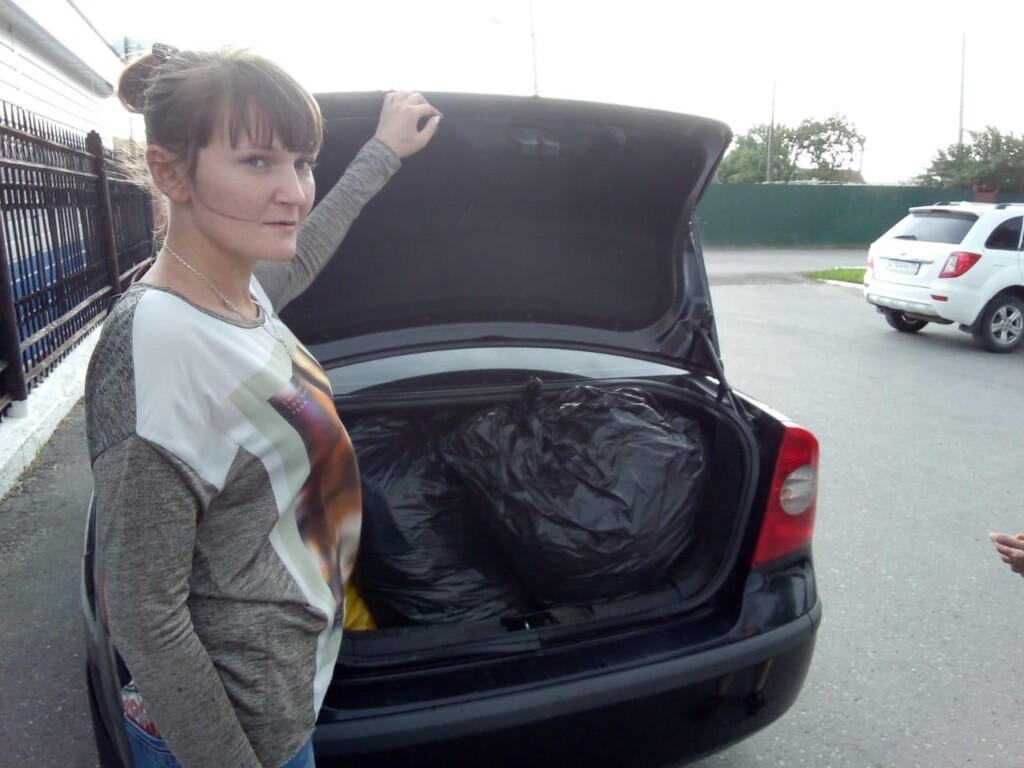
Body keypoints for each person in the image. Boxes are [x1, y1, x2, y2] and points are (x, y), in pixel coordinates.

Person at [84, 44, 440, 768]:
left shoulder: (237, 293)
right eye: (256, 162)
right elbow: (146, 617)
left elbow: (303, 252)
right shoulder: (157, 344)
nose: (295, 192)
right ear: (169, 173)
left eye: (302, 163)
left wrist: (382, 152)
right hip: (230, 734)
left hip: (282, 689)